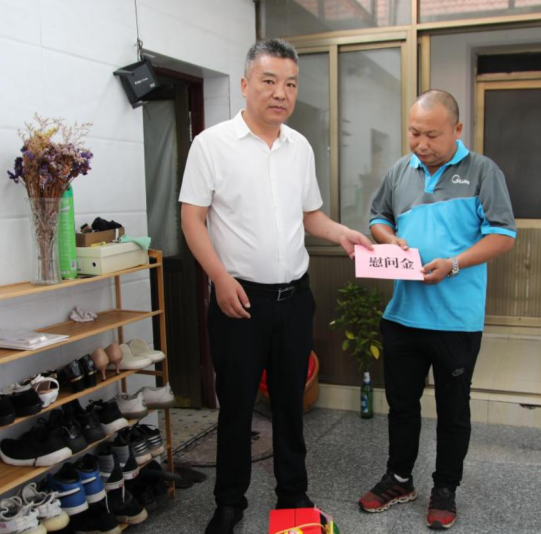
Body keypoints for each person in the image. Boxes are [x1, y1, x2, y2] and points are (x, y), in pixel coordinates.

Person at [180, 38, 372, 534]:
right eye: (269, 81)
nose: (280, 93)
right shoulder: (211, 145)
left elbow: (310, 215)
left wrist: (342, 233)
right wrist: (219, 277)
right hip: (238, 298)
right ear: (245, 85)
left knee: (290, 403)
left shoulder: (299, 147)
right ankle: (229, 502)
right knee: (237, 404)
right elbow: (192, 219)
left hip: (294, 299)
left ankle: (293, 494)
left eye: (290, 84)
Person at [358, 89, 516, 530]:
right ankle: (399, 479)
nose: (421, 143)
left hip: (455, 320)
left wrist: (454, 264)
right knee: (402, 406)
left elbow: (503, 235)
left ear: (457, 130)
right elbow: (377, 217)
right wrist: (390, 239)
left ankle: (445, 487)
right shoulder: (399, 171)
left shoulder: (483, 171)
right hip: (403, 315)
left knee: (453, 410)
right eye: (414, 133)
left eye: (432, 135)